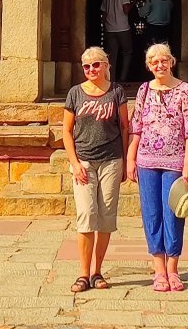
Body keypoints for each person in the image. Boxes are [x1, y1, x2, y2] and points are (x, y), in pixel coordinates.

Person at [127, 41, 188, 293]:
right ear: (149, 66)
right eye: (154, 61)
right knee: (151, 214)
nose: (160, 64)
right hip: (146, 161)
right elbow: (136, 126)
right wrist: (130, 158)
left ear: (172, 62)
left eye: (164, 60)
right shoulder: (144, 90)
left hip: (175, 161)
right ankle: (159, 269)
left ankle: (173, 268)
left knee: (174, 213)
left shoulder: (185, 91)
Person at [62, 45, 131, 294]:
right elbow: (66, 131)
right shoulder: (75, 93)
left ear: (105, 65)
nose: (91, 69)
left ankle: (97, 271)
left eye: (96, 64)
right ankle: (83, 272)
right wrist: (74, 162)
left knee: (105, 217)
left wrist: (125, 160)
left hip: (111, 160)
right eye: (87, 66)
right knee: (86, 216)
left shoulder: (116, 92)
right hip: (84, 162)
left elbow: (124, 126)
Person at [101, 0, 134, 83]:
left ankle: (111, 80)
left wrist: (105, 28)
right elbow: (126, 9)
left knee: (112, 56)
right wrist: (132, 3)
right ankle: (123, 78)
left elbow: (104, 14)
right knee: (127, 52)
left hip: (110, 29)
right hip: (123, 28)